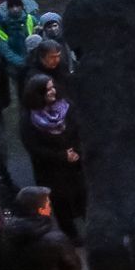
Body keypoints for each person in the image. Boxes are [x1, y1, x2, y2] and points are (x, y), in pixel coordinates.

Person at [19, 75, 87, 236]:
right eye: (48, 89)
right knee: (61, 205)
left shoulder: (67, 106)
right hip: (52, 171)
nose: (53, 91)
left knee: (84, 199)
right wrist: (63, 156)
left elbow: (80, 130)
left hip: (76, 165)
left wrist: (77, 151)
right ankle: (72, 236)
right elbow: (34, 148)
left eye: (52, 87)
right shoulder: (29, 120)